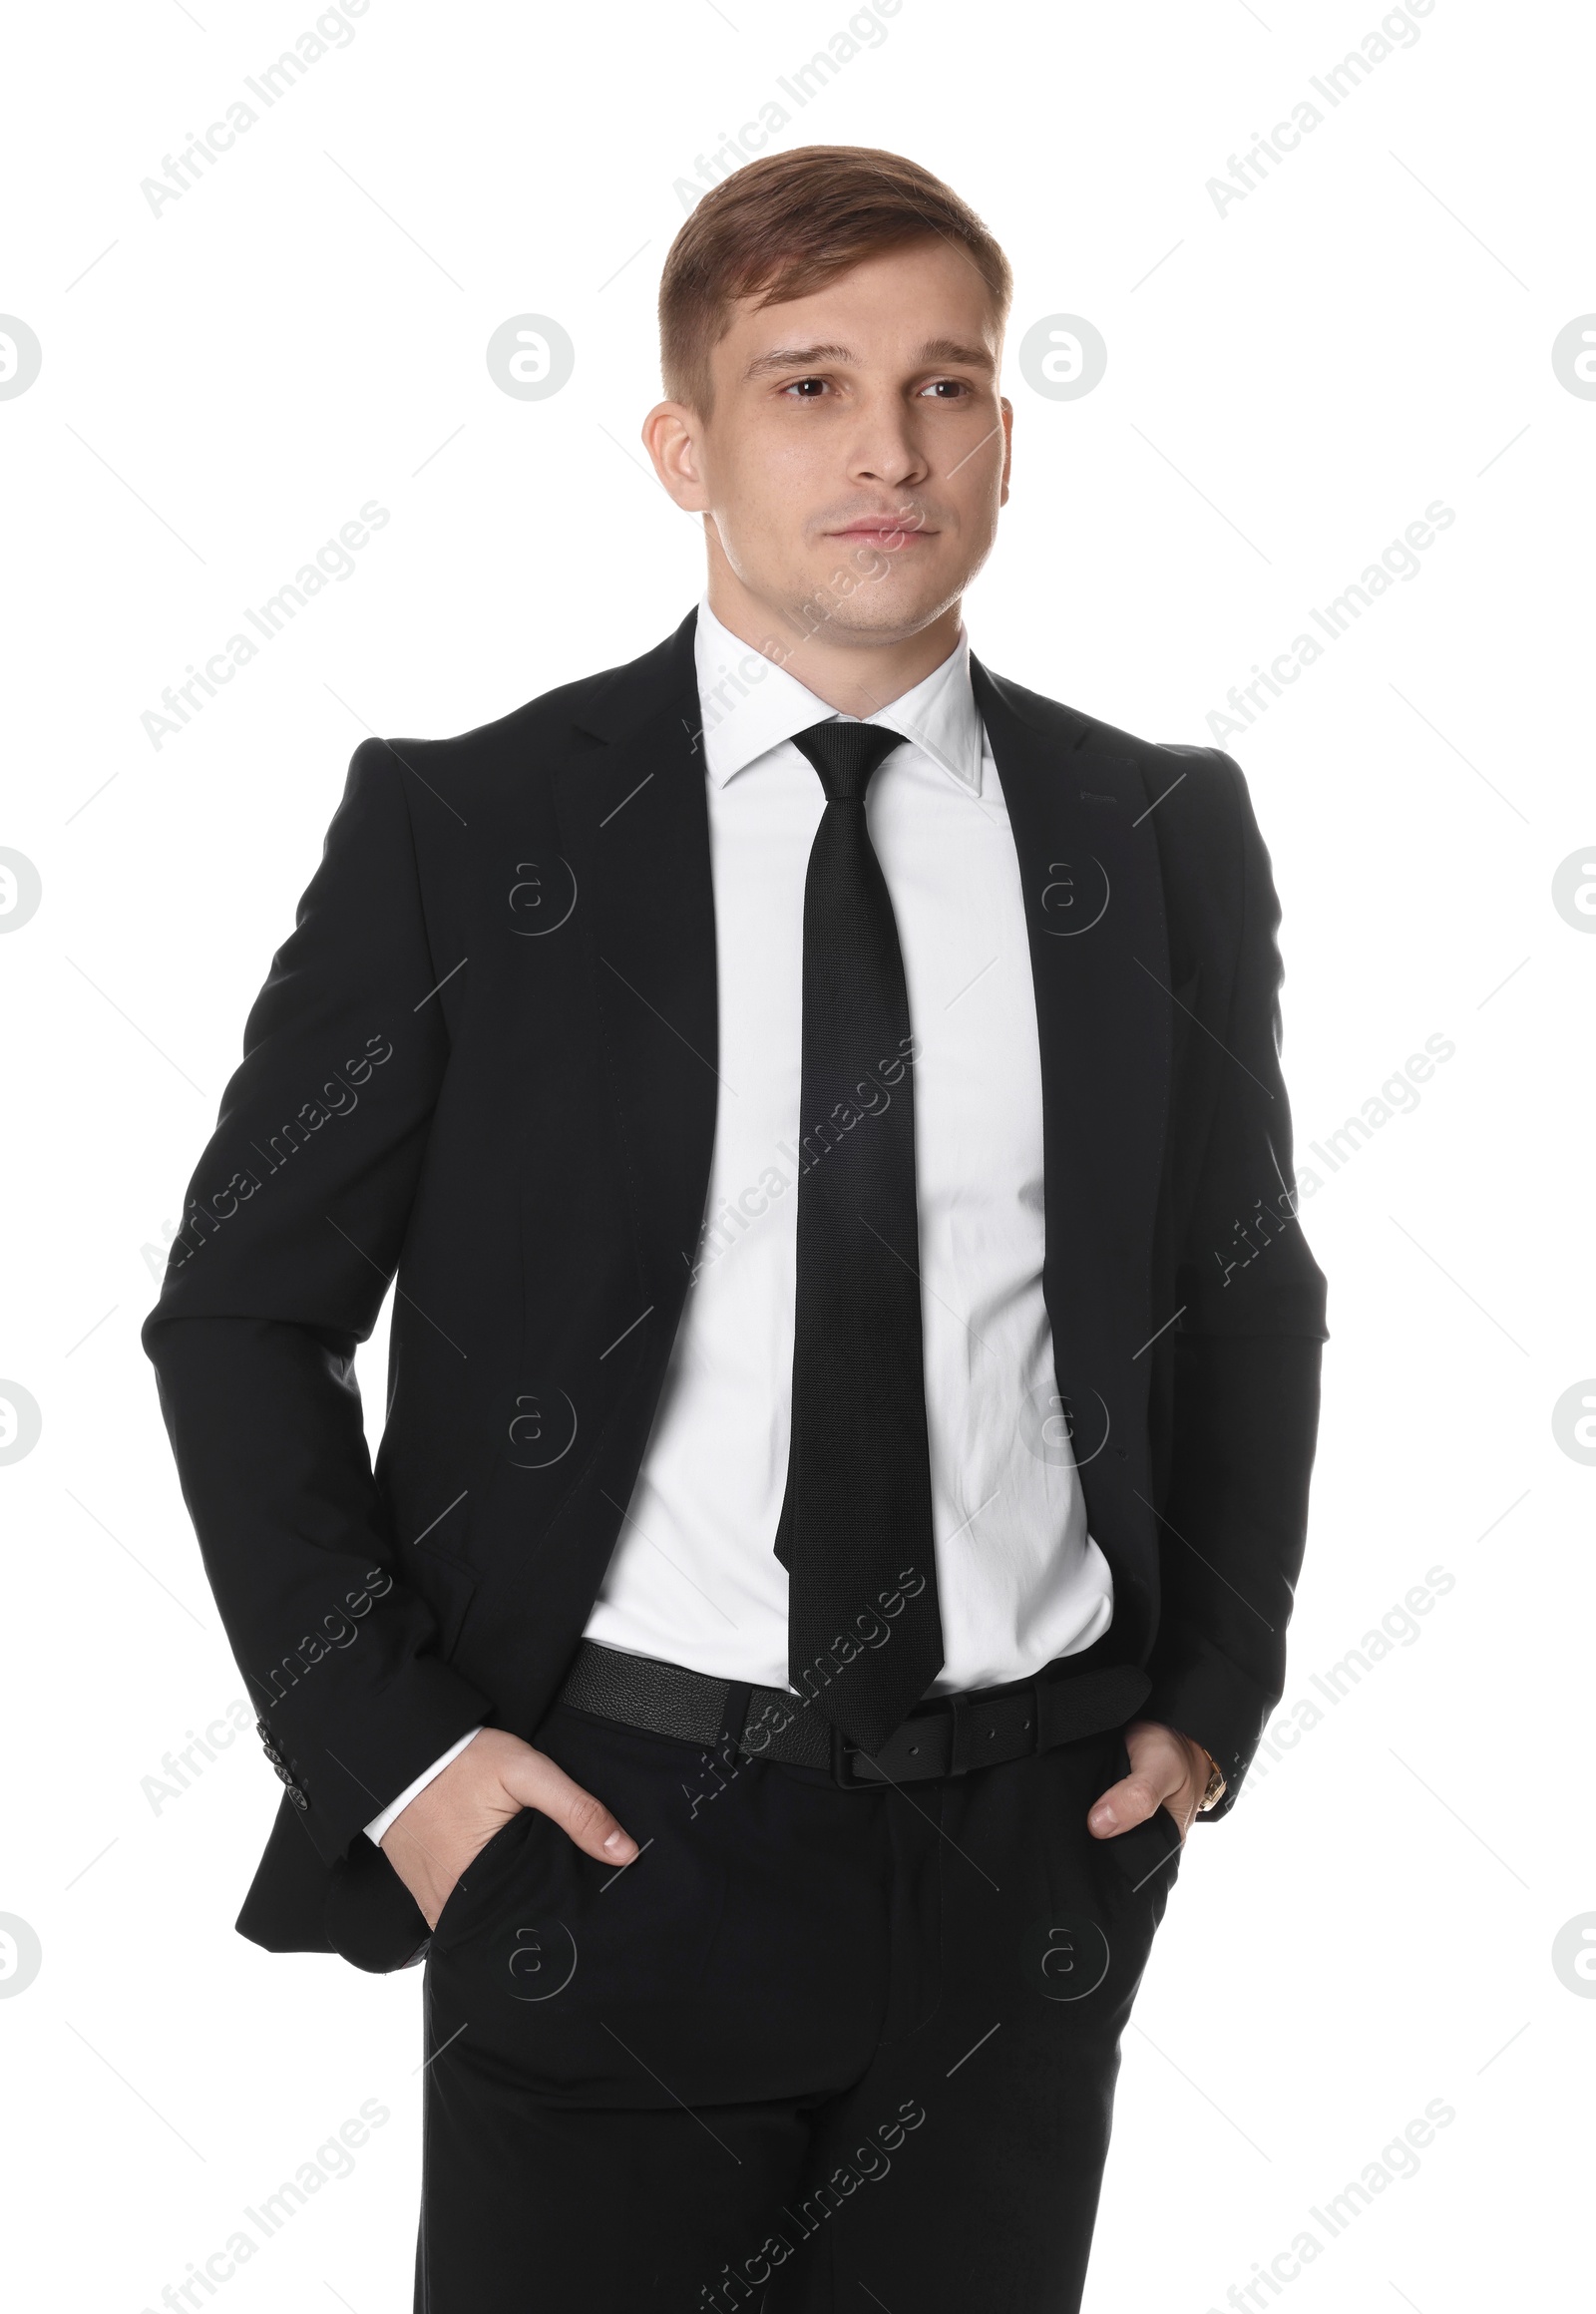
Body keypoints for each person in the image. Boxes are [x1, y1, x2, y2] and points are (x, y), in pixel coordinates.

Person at [143, 142, 1328, 2314]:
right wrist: (397, 1750)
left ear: (999, 431)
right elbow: (240, 1317)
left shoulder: (1154, 831)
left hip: (1021, 1853)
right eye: (803, 385)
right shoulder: (472, 825)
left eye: (944, 384)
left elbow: (1240, 1296)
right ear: (681, 442)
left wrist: (1205, 1695)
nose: (885, 445)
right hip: (605, 1838)